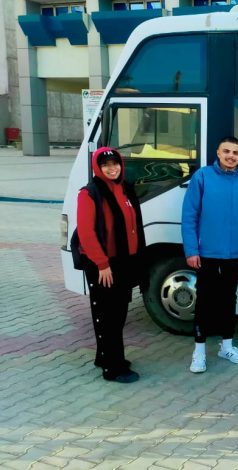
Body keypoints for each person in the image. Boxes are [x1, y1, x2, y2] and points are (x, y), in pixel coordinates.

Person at [182, 136, 238, 373]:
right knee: (205, 301)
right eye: (226, 151)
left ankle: (226, 346)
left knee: (229, 300)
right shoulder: (202, 177)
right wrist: (191, 250)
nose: (230, 156)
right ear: (218, 153)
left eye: (235, 153)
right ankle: (199, 352)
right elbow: (189, 216)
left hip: (233, 254)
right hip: (206, 254)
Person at [76, 147, 146, 383]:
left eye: (115, 163)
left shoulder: (125, 189)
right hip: (103, 264)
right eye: (105, 165)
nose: (111, 168)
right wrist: (102, 264)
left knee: (118, 314)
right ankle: (113, 368)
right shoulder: (89, 193)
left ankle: (105, 356)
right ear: (97, 168)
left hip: (124, 261)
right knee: (109, 316)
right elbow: (86, 233)